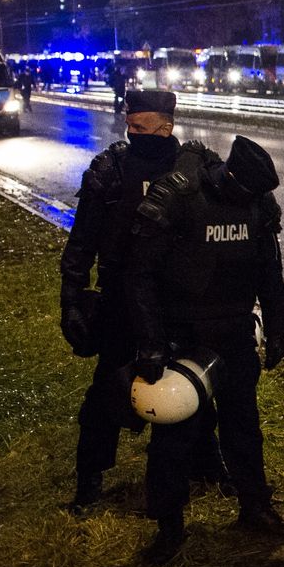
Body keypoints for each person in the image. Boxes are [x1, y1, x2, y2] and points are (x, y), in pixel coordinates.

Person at [128, 136, 284, 565]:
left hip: (236, 332)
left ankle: (255, 507)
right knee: (174, 434)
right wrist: (150, 341)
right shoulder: (180, 197)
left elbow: (269, 273)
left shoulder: (257, 204)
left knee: (244, 426)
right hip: (183, 336)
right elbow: (141, 273)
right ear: (230, 176)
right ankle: (169, 528)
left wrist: (277, 330)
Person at [59, 90, 230, 512]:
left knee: (193, 387)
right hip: (120, 300)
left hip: (180, 300)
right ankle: (90, 480)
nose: (132, 133)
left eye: (140, 126)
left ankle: (205, 464)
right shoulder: (111, 170)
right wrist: (72, 301)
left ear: (166, 126)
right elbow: (81, 243)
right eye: (129, 126)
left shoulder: (193, 166)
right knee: (106, 393)